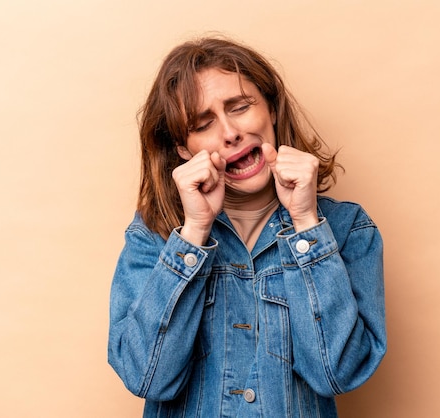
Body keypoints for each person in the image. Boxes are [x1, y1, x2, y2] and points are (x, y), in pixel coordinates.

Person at [108, 36, 386, 418]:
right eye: (203, 124)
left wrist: (306, 225)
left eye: (239, 107)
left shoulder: (347, 228)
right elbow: (146, 377)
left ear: (271, 108)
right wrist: (193, 232)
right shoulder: (153, 236)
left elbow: (337, 373)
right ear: (184, 150)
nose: (230, 133)